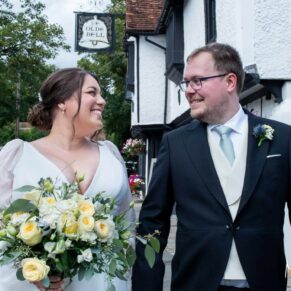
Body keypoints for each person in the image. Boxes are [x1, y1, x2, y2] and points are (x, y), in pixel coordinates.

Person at [132, 43, 291, 291]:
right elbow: (153, 223)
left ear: (229, 82)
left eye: (197, 80)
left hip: (264, 282)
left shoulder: (282, 138)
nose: (189, 90)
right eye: (186, 82)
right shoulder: (175, 144)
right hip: (195, 283)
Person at [0, 68, 135, 291]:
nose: (102, 101)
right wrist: (31, 266)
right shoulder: (17, 155)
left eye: (101, 94)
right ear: (62, 101)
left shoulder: (111, 154)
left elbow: (126, 222)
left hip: (103, 283)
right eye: (92, 92)